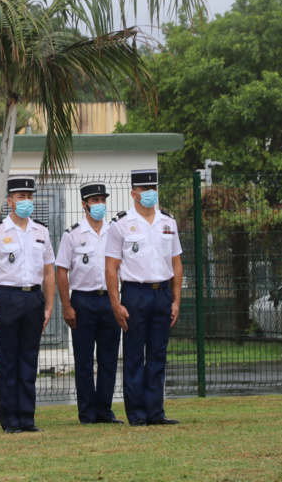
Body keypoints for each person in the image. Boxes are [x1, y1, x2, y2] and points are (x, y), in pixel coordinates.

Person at [0, 176, 56, 434]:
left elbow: (49, 271)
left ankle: (27, 419)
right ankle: (10, 421)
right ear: (10, 202)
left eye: (30, 197)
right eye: (21, 197)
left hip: (34, 298)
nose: (27, 202)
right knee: (8, 360)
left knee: (29, 359)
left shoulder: (41, 231)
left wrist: (49, 306)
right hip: (6, 298)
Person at [105, 169, 183, 427]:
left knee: (158, 354)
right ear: (134, 193)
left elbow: (176, 263)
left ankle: (155, 412)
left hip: (161, 292)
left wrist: (176, 300)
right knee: (135, 355)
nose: (150, 194)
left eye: (154, 189)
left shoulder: (168, 223)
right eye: (145, 190)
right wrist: (116, 303)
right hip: (134, 294)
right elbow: (111, 267)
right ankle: (137, 414)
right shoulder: (121, 224)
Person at [56, 181, 123, 425]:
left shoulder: (115, 231)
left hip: (110, 300)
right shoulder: (72, 234)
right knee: (83, 359)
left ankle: (105, 410)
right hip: (83, 300)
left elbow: (121, 266)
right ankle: (87, 412)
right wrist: (67, 306)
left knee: (109, 359)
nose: (100, 205)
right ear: (84, 204)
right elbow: (61, 271)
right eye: (95, 201)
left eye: (103, 200)